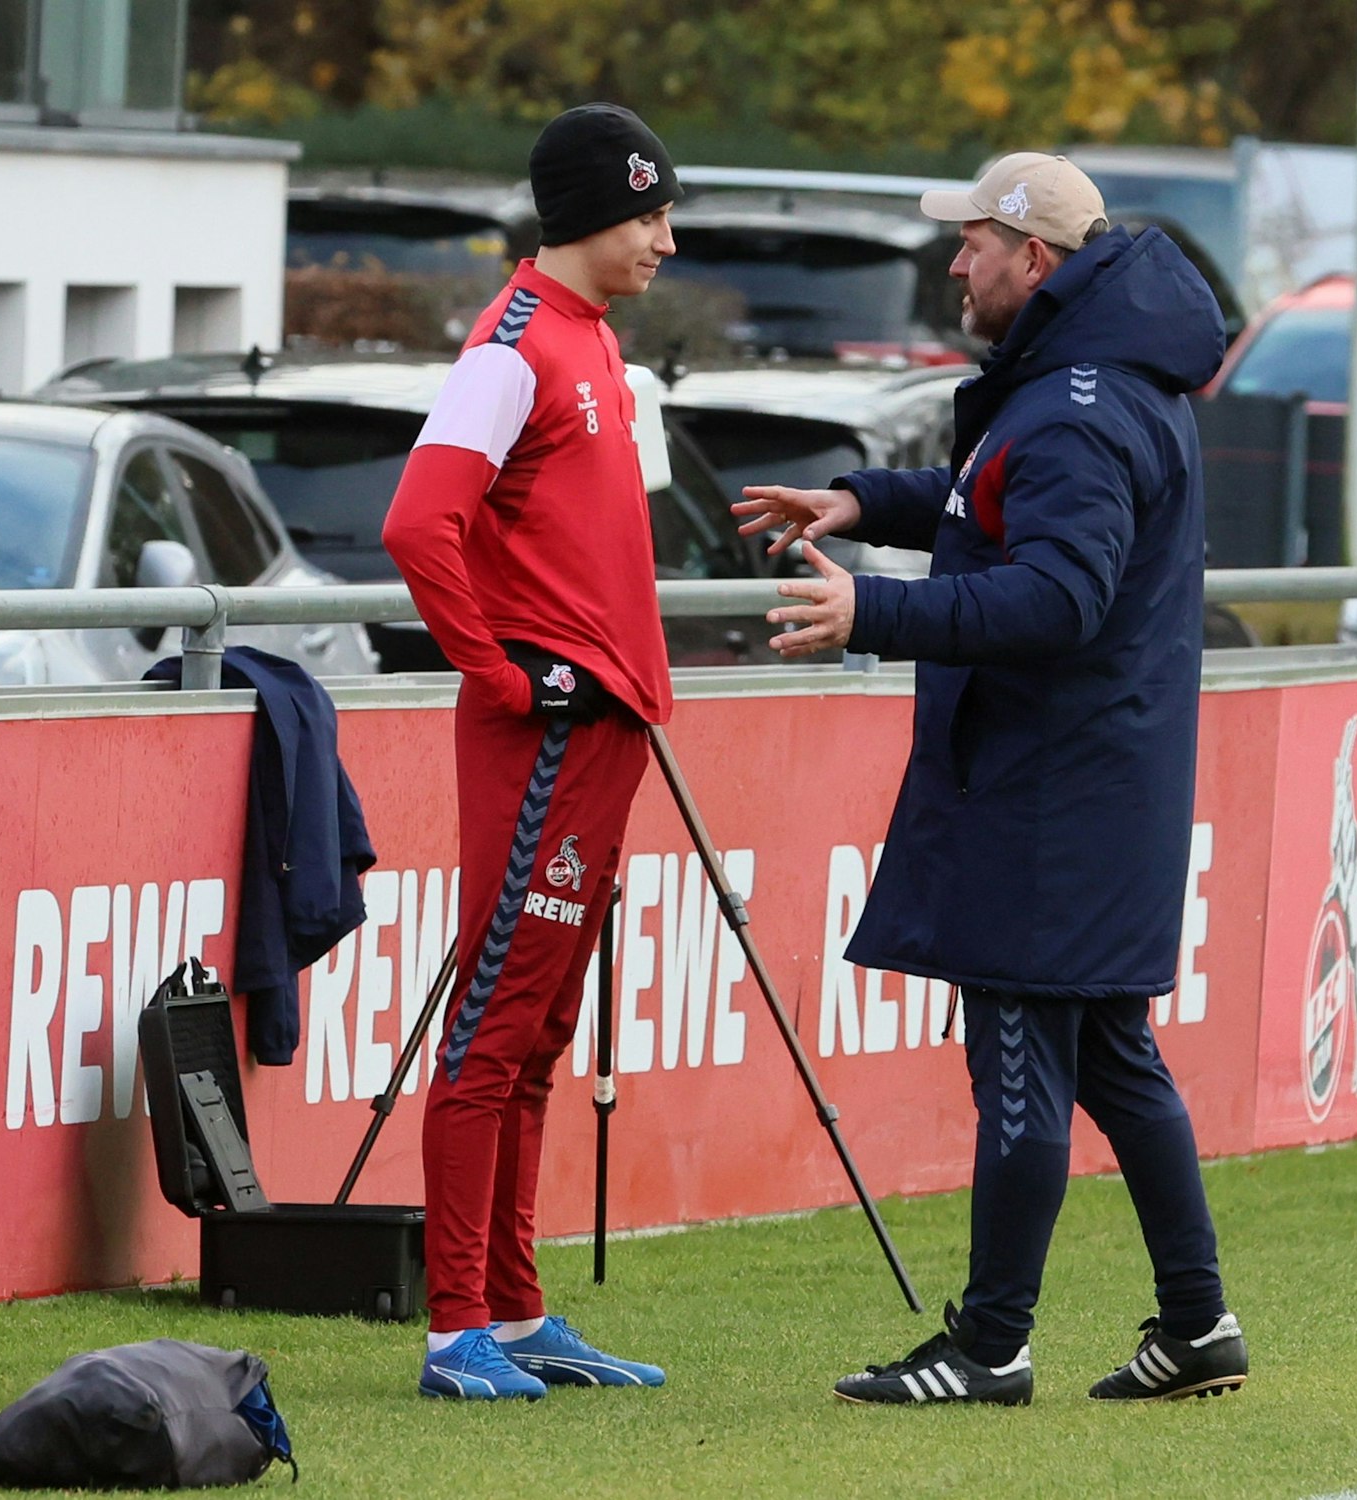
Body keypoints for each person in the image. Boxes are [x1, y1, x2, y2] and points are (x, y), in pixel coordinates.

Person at [733, 152, 1248, 1406]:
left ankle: (989, 1344)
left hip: (1050, 793)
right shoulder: (1094, 380)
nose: (954, 262)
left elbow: (1057, 595)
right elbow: (991, 504)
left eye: (973, 242)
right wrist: (861, 500)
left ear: (1039, 260)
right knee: (1116, 1056)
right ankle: (1197, 1327)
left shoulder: (1073, 401)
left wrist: (873, 614)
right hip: (1094, 780)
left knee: (1022, 1063)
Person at [381, 102, 679, 1402]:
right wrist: (498, 672)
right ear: (588, 215)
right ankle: (457, 1329)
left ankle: (514, 1305)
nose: (666, 239)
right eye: (650, 214)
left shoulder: (592, 344)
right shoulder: (513, 345)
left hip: (607, 724)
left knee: (543, 1028)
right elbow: (415, 524)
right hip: (547, 732)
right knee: (491, 1030)